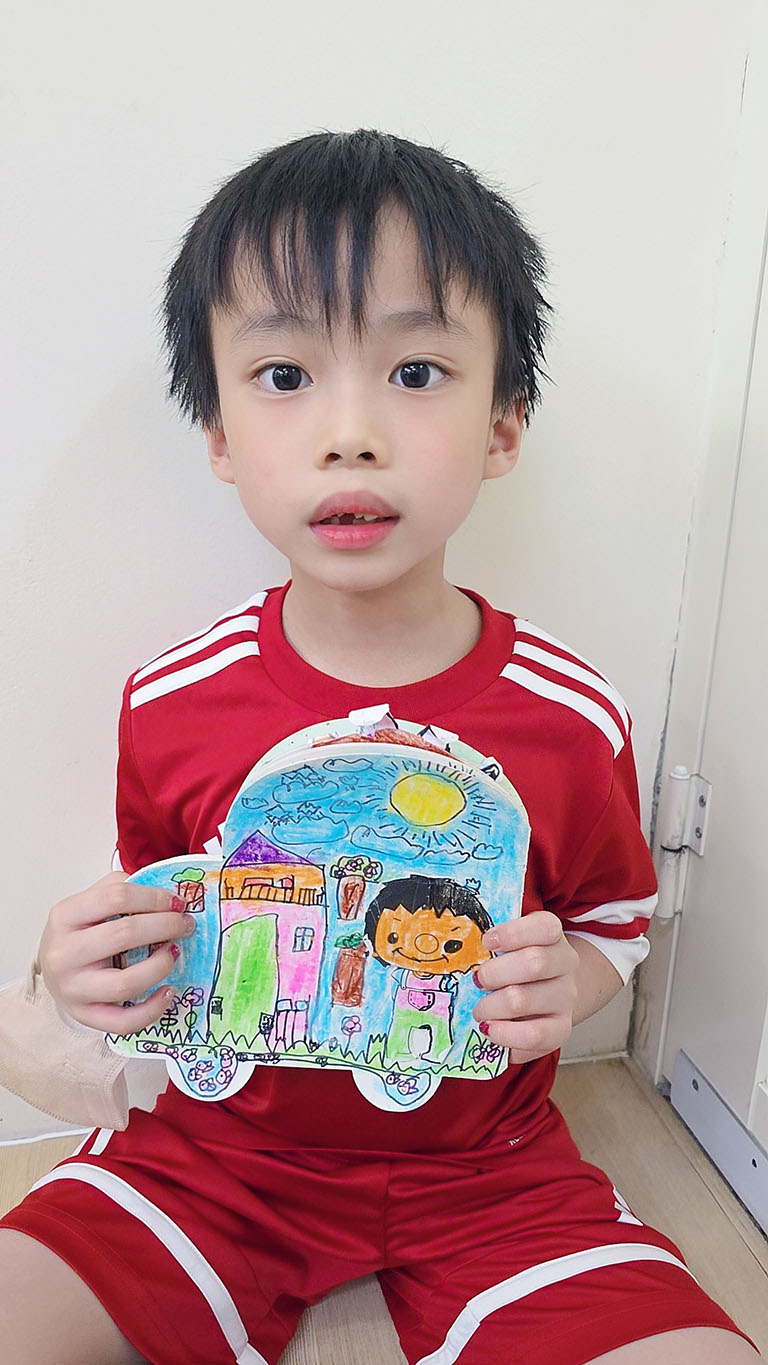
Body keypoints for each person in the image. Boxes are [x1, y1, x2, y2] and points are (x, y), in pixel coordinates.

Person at [0, 130, 758, 1365]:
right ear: (219, 437)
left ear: (503, 424)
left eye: (415, 371)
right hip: (214, 1161)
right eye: (284, 375)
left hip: (497, 1173)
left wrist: (567, 985)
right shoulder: (168, 699)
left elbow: (617, 920)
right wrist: (98, 979)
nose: (350, 432)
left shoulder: (573, 716)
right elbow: (169, 929)